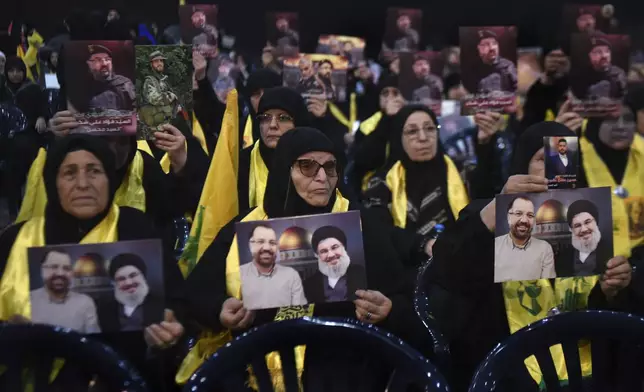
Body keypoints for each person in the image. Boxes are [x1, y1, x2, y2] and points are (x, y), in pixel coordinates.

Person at [184, 127, 430, 388]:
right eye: (307, 166)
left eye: (330, 167)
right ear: (284, 172)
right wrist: (220, 310)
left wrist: (387, 310)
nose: (322, 177)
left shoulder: (360, 227)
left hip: (343, 370)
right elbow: (194, 294)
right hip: (253, 369)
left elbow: (404, 304)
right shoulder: (247, 227)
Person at [427, 121, 635, 392]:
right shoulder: (487, 213)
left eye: (564, 157)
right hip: (509, 367)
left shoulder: (589, 215)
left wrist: (612, 287)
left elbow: (604, 310)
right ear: (523, 163)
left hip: (589, 368)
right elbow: (448, 270)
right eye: (541, 158)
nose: (554, 167)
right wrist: (497, 209)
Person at [0, 134, 185, 391]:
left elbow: (177, 300)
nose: (83, 184)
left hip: (124, 378)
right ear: (52, 182)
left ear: (109, 178)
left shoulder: (135, 228)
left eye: (94, 171)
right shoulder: (15, 240)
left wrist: (170, 325)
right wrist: (11, 333)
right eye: (70, 173)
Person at [363, 105, 469, 261]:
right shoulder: (381, 183)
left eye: (430, 129)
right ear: (398, 137)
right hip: (406, 270)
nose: (423, 137)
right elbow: (378, 231)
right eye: (412, 131)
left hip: (461, 262)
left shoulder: (463, 172)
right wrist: (423, 244)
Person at [237, 86, 310, 211]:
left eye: (283, 118)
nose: (272, 125)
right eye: (265, 118)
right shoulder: (241, 163)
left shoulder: (318, 160)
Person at [2, 56, 48, 221]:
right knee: (11, 173)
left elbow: (43, 107)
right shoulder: (3, 90)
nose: (15, 75)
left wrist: (41, 117)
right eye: (11, 71)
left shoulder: (32, 89)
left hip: (30, 138)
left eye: (19, 71)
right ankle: (14, 212)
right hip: (8, 141)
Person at [30, 249, 101, 334]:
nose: (60, 273)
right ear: (42, 270)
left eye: (66, 268)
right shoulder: (27, 301)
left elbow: (94, 340)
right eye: (54, 267)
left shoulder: (85, 302)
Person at [240, 224, 307, 309]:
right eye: (260, 241)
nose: (267, 248)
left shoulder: (291, 275)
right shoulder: (239, 274)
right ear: (251, 245)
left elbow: (300, 311)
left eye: (272, 243)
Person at [494, 195, 556, 282]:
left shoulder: (544, 249)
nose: (524, 220)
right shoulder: (495, 246)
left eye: (530, 215)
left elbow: (546, 286)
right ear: (509, 217)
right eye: (518, 213)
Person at [97, 253, 164, 332]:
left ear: (143, 276)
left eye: (133, 275)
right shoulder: (105, 310)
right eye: (121, 279)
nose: (128, 283)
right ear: (114, 283)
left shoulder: (161, 305)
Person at [305, 225, 367, 303]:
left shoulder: (361, 274)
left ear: (344, 247)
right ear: (317, 255)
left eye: (334, 247)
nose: (331, 255)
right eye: (324, 251)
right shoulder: (309, 285)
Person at [556, 199, 613, 277]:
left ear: (596, 222)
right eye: (577, 226)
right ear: (571, 229)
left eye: (587, 222)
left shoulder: (610, 251)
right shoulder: (563, 257)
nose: (584, 229)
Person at [84, 44, 135, 112]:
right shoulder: (83, 87)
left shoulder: (124, 83)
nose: (104, 63)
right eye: (98, 60)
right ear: (89, 64)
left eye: (107, 59)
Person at [139, 50, 180, 135]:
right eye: (156, 61)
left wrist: (176, 106)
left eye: (161, 61)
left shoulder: (164, 80)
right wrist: (171, 96)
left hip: (166, 122)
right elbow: (155, 99)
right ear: (151, 64)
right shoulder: (149, 81)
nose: (160, 63)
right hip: (154, 127)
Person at [476, 29, 518, 94]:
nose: (492, 48)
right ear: (479, 48)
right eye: (486, 44)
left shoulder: (507, 66)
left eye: (494, 43)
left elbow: (519, 91)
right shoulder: (474, 69)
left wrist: (504, 95)